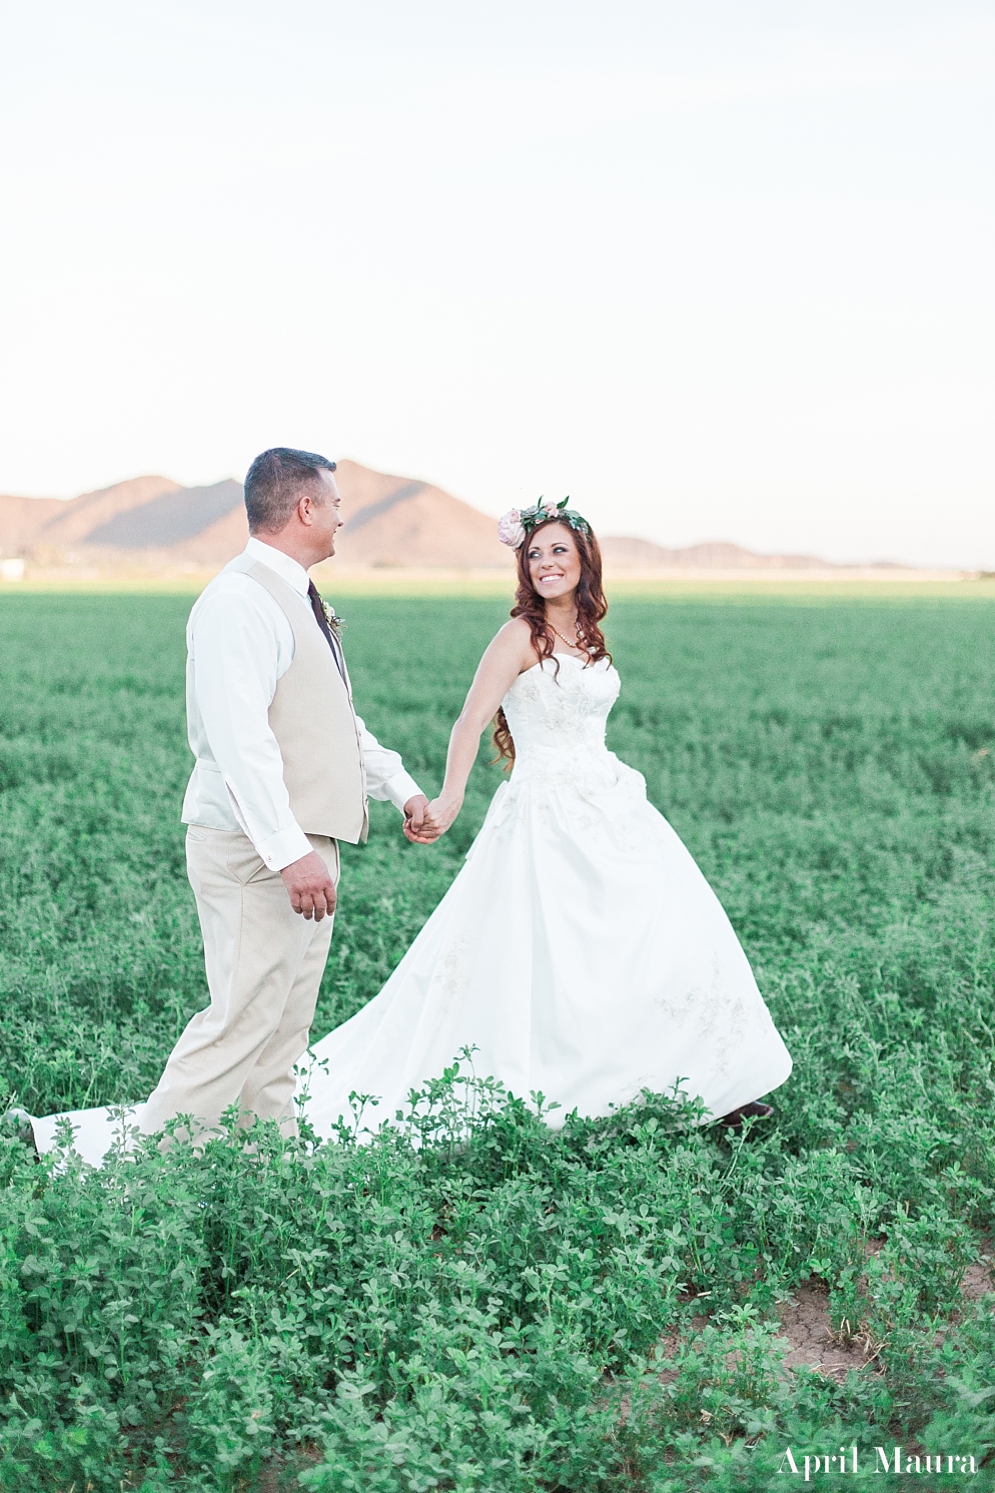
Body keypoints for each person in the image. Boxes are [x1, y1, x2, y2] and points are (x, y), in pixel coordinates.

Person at [294, 497, 792, 1136]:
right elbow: (471, 719)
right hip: (544, 812)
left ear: (585, 559)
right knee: (556, 956)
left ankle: (704, 1083)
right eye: (534, 554)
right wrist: (449, 799)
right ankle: (574, 1088)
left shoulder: (588, 634)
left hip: (610, 802)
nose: (546, 563)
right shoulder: (519, 635)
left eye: (559, 550)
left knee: (664, 937)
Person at [30, 447, 436, 1162]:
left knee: (283, 1027)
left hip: (304, 844)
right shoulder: (237, 599)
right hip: (261, 849)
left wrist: (399, 787)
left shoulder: (298, 597)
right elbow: (240, 741)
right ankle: (146, 1182)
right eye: (335, 502)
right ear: (305, 508)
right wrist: (289, 853)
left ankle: (263, 1169)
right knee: (239, 1020)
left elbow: (332, 719)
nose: (344, 514)